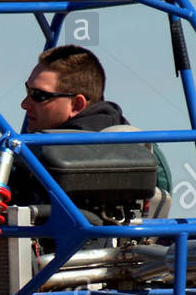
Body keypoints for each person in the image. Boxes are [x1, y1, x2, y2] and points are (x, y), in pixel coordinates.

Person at [19, 44, 171, 193]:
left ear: (76, 105)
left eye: (39, 96)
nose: (24, 104)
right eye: (28, 90)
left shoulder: (37, 158)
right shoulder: (147, 152)